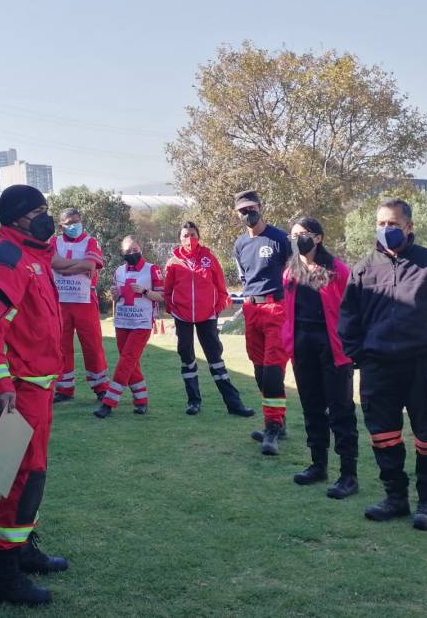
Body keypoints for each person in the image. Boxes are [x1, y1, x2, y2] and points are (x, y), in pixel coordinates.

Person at [338, 198, 427, 531]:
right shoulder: (364, 269)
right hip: (377, 368)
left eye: (393, 224)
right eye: (381, 223)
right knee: (384, 436)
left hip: (421, 365)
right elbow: (348, 318)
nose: (386, 229)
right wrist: (359, 355)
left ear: (409, 227)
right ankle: (395, 498)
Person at [0, 184, 68, 606]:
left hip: (41, 385)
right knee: (19, 476)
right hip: (19, 391)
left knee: (32, 474)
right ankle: (3, 574)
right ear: (15, 218)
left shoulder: (34, 255)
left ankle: (24, 548)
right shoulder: (6, 259)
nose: (46, 217)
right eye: (38, 211)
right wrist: (0, 387)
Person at [282, 217, 359, 499]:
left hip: (333, 348)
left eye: (303, 234)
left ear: (318, 238)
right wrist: (288, 340)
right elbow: (288, 311)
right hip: (302, 347)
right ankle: (318, 465)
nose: (297, 239)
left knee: (341, 411)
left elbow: (354, 309)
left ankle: (348, 475)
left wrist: (353, 344)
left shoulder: (337, 270)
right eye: (293, 235)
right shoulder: (290, 271)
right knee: (311, 407)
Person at [164, 221, 254, 417]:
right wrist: (174, 309)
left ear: (199, 236)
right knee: (187, 359)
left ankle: (234, 404)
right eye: (185, 235)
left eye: (193, 234)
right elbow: (167, 291)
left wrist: (217, 308)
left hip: (207, 317)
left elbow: (221, 289)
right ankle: (194, 402)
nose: (189, 239)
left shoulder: (209, 258)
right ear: (179, 238)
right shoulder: (173, 263)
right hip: (183, 317)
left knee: (215, 359)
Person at [233, 189, 291, 455]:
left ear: (260, 207)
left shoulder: (280, 239)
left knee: (272, 371)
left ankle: (271, 428)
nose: (247, 214)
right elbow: (244, 277)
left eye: (251, 208)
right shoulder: (240, 244)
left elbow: (293, 274)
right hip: (251, 309)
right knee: (259, 370)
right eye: (242, 210)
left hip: (276, 308)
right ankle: (279, 421)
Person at [94, 235, 164, 418]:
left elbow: (161, 296)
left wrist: (144, 291)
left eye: (135, 250)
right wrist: (114, 294)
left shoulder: (152, 270)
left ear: (141, 249)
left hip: (142, 323)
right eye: (128, 251)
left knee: (126, 360)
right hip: (122, 321)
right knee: (130, 363)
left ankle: (109, 401)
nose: (132, 253)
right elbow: (117, 299)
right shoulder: (119, 271)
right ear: (122, 253)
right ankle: (141, 400)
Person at [49, 207, 111, 403]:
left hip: (85, 300)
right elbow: (51, 262)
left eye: (77, 220)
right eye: (69, 223)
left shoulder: (90, 241)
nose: (74, 225)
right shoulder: (54, 242)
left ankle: (101, 387)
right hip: (60, 301)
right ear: (61, 226)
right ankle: (64, 388)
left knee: (92, 345)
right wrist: (77, 265)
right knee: (61, 346)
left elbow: (90, 265)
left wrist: (63, 266)